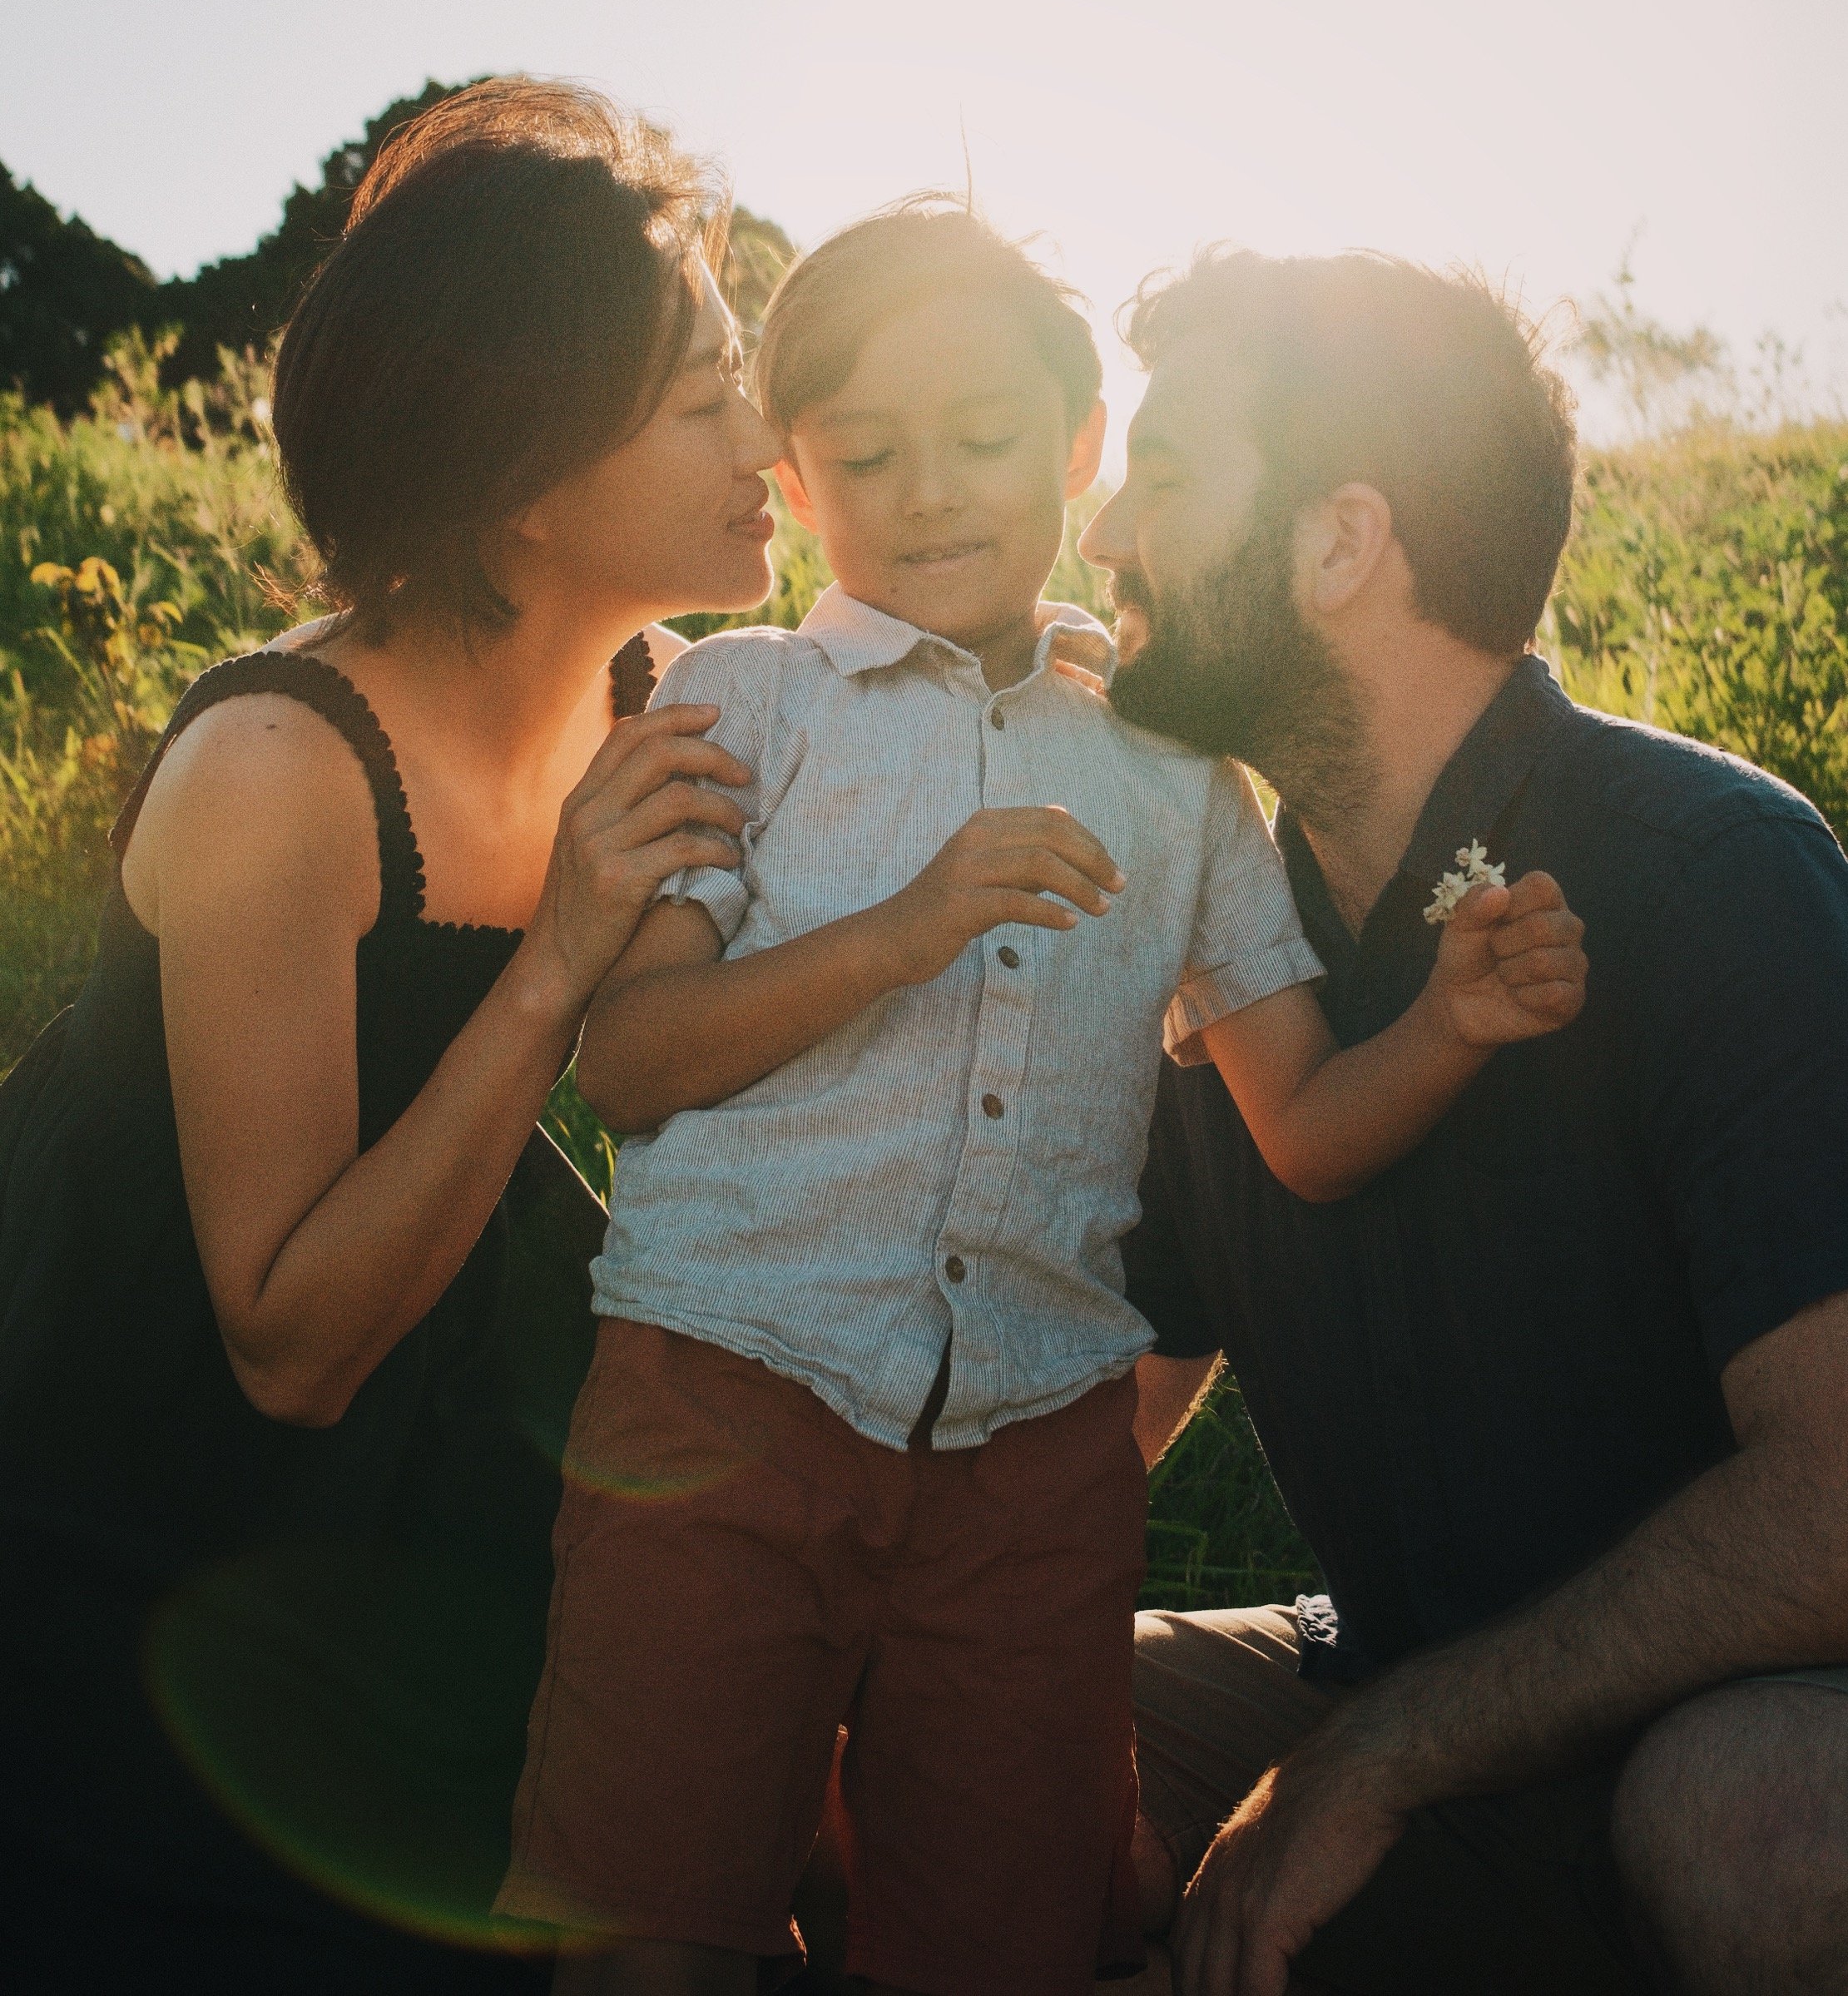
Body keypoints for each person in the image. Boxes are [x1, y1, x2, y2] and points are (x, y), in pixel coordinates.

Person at [496, 203, 1587, 1996]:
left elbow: (1303, 1124)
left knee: (997, 1934)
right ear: (796, 470)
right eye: (864, 451)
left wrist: (1451, 1024)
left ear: (1079, 453)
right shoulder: (736, 703)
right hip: (718, 1404)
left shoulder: (1173, 774)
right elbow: (633, 1064)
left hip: (1030, 1461)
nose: (928, 489)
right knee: (659, 1916)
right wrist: (904, 927)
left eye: (988, 440)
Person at [0, 80, 784, 1994]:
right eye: (702, 400)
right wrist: (557, 957)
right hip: (138, 1529)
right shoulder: (280, 768)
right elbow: (281, 1345)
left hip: (443, 1475)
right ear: (525, 470)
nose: (765, 434)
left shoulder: (667, 695)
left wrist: (1053, 676)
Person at [1080, 248, 1848, 1996]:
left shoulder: (1708, 880)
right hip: (1383, 1671)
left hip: (1735, 1715)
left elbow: (1839, 1509)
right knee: (954, 1725)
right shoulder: (1216, 937)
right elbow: (1101, 1405)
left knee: (1753, 1828)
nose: (1109, 538)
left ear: (1339, 543)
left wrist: (1393, 1750)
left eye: (1172, 479)